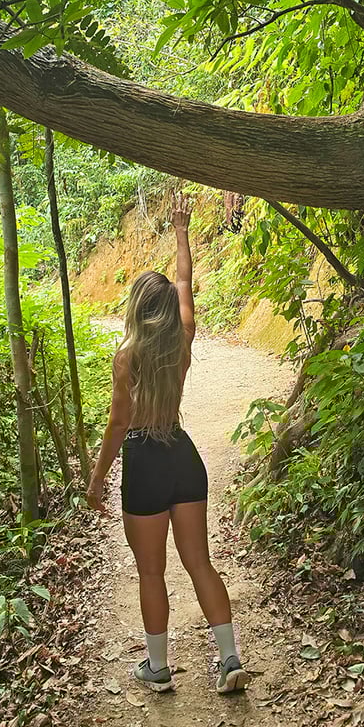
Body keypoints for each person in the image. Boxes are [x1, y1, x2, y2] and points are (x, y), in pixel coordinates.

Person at [85, 194, 250, 695]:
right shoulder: (184, 339)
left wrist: (96, 480)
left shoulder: (126, 357)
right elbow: (185, 283)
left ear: (136, 309)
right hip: (183, 456)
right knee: (199, 561)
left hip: (145, 464)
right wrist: (181, 231)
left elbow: (117, 426)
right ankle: (229, 659)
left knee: (151, 571)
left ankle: (157, 669)